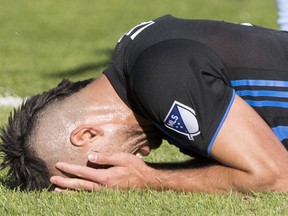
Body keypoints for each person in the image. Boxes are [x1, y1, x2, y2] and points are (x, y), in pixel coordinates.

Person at [1, 15, 288, 193]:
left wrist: (151, 180)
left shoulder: (158, 76)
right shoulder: (135, 58)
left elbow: (276, 177)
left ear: (87, 135)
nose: (137, 160)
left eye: (105, 170)